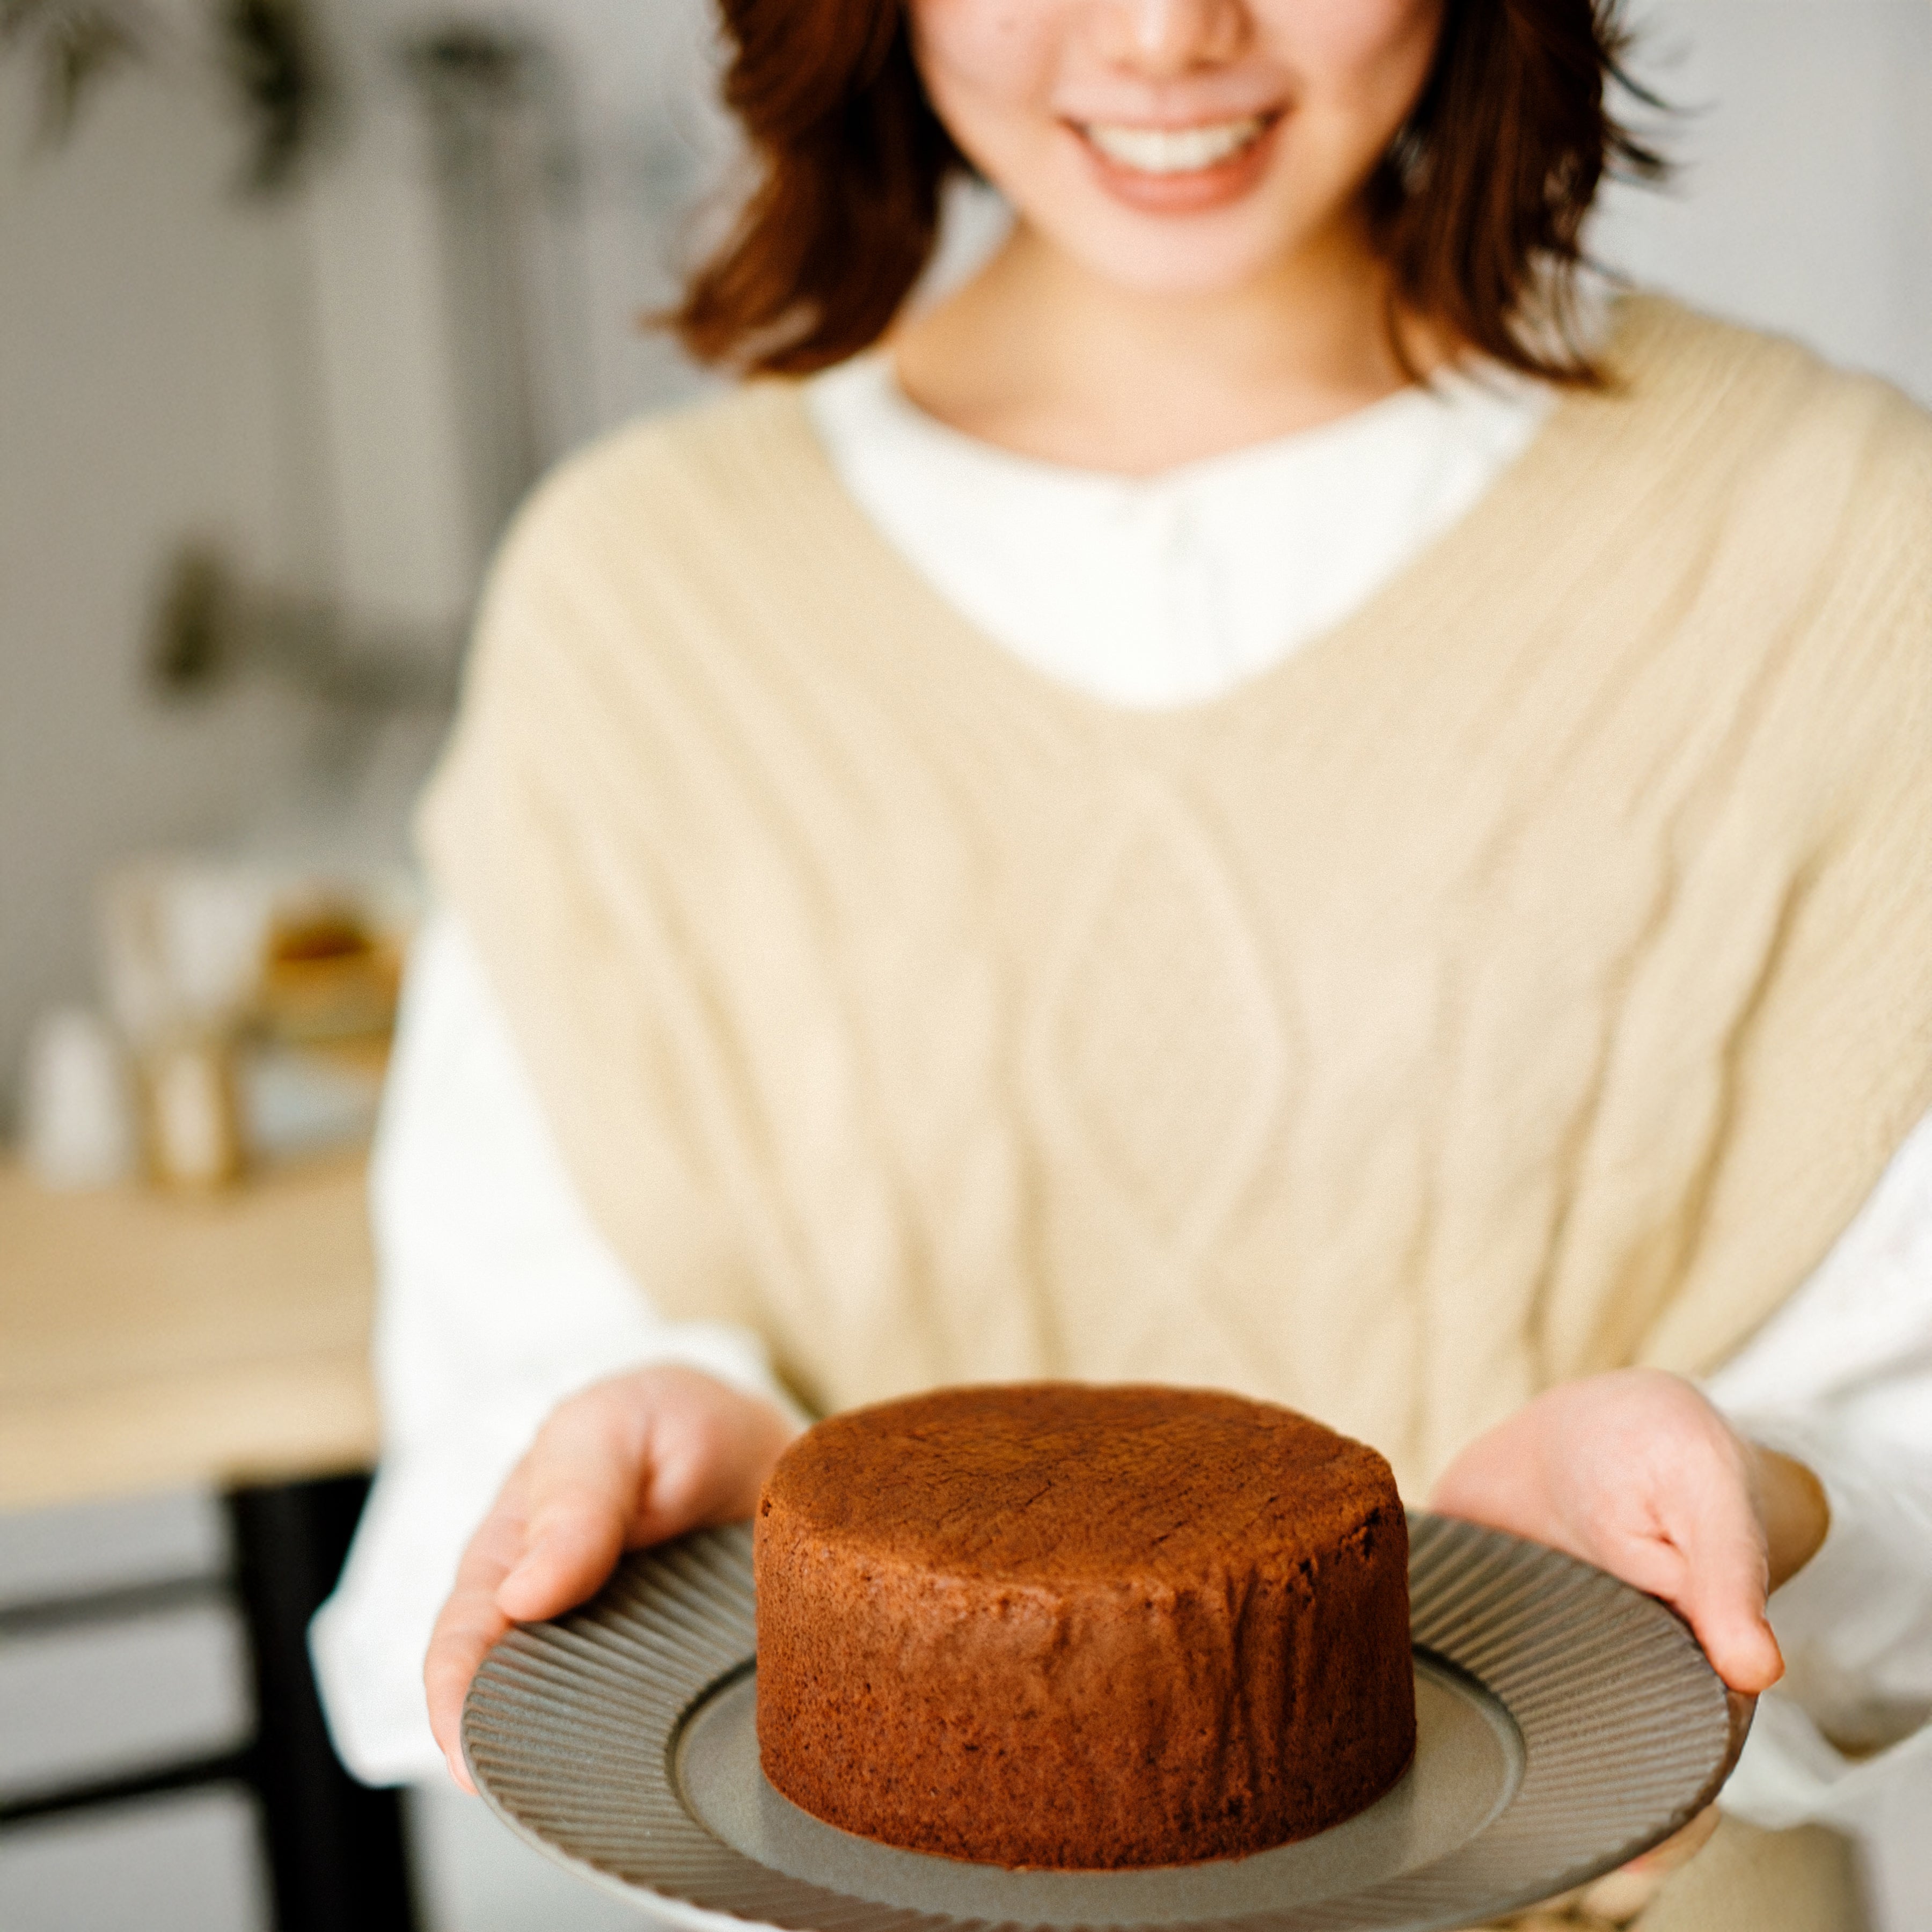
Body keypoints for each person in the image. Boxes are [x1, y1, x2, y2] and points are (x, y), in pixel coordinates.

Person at [311, 0, 1932, 1923]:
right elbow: (494, 1405)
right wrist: (686, 1487)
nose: (1169, 36)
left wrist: (1754, 1503)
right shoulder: (634, 607)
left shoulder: (1837, 543)